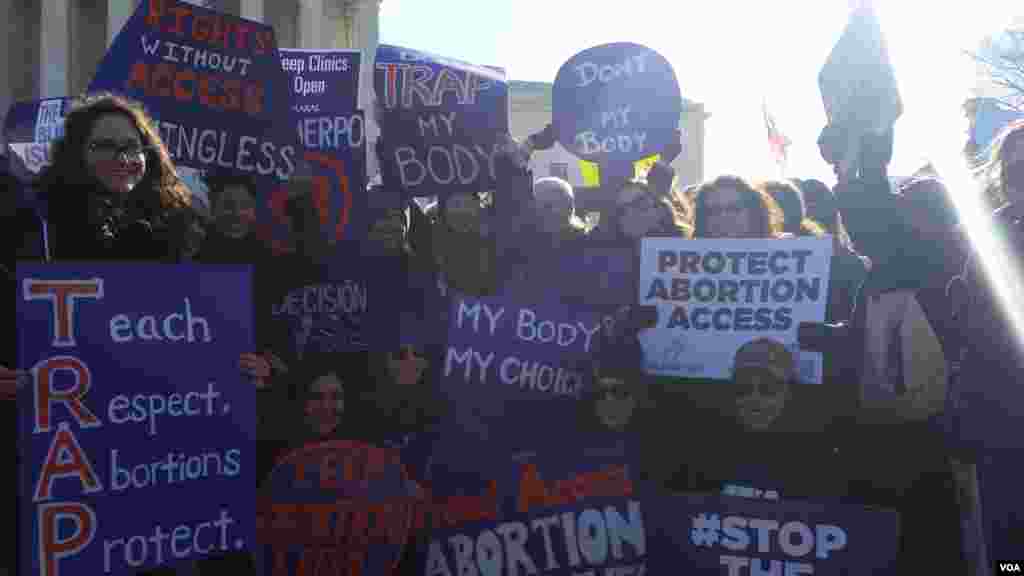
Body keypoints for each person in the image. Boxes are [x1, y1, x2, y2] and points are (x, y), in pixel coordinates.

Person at [692, 175, 785, 239]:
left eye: (733, 209)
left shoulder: (782, 248)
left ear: (753, 213)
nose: (723, 216)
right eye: (714, 210)